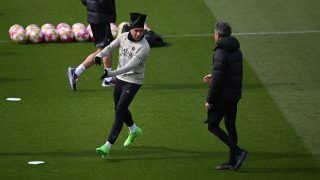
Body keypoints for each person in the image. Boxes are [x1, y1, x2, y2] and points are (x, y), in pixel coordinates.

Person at [95, 13, 150, 158]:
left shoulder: (144, 48)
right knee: (119, 108)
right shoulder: (123, 37)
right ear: (130, 29)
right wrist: (98, 56)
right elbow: (110, 47)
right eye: (136, 30)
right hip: (120, 78)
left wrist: (110, 74)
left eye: (141, 31)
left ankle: (107, 146)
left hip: (133, 81)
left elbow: (129, 67)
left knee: (119, 111)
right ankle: (134, 130)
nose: (139, 34)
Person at [203, 21, 248, 171]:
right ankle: (232, 161)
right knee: (230, 125)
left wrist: (209, 100)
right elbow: (229, 71)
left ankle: (239, 152)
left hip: (223, 96)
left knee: (212, 125)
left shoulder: (220, 52)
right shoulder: (236, 50)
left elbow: (217, 83)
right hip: (235, 95)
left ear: (218, 35)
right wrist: (213, 74)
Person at [67, 0, 116, 91]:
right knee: (105, 49)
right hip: (102, 17)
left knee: (105, 48)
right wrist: (111, 14)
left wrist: (92, 7)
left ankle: (108, 78)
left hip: (94, 16)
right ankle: (76, 72)